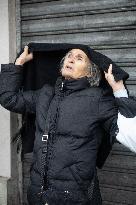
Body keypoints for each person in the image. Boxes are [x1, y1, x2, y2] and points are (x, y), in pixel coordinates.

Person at [0, 44, 136, 205]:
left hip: (74, 198)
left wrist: (118, 89)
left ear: (90, 72)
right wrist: (19, 64)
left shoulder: (98, 99)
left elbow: (130, 135)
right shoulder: (45, 93)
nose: (71, 59)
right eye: (69, 56)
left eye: (79, 58)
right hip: (37, 194)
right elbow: (9, 99)